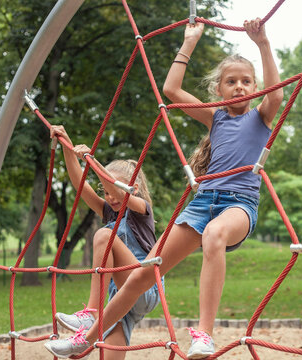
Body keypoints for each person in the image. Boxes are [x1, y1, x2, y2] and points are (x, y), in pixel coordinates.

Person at [44, 17, 283, 359]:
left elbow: (277, 94)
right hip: (203, 202)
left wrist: (261, 42)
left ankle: (204, 333)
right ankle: (88, 337)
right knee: (145, 272)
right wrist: (189, 41)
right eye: (231, 82)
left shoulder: (260, 117)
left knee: (215, 234)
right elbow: (171, 91)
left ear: (255, 86)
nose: (240, 87)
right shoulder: (215, 117)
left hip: (238, 205)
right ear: (219, 89)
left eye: (247, 81)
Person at [44, 125, 162, 360]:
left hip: (145, 286)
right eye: (105, 193)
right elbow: (80, 185)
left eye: (112, 191)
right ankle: (96, 316)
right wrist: (68, 146)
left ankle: (92, 312)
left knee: (103, 236)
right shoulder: (109, 211)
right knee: (110, 350)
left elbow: (119, 193)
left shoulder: (141, 210)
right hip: (120, 297)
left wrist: (92, 162)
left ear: (133, 188)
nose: (108, 197)